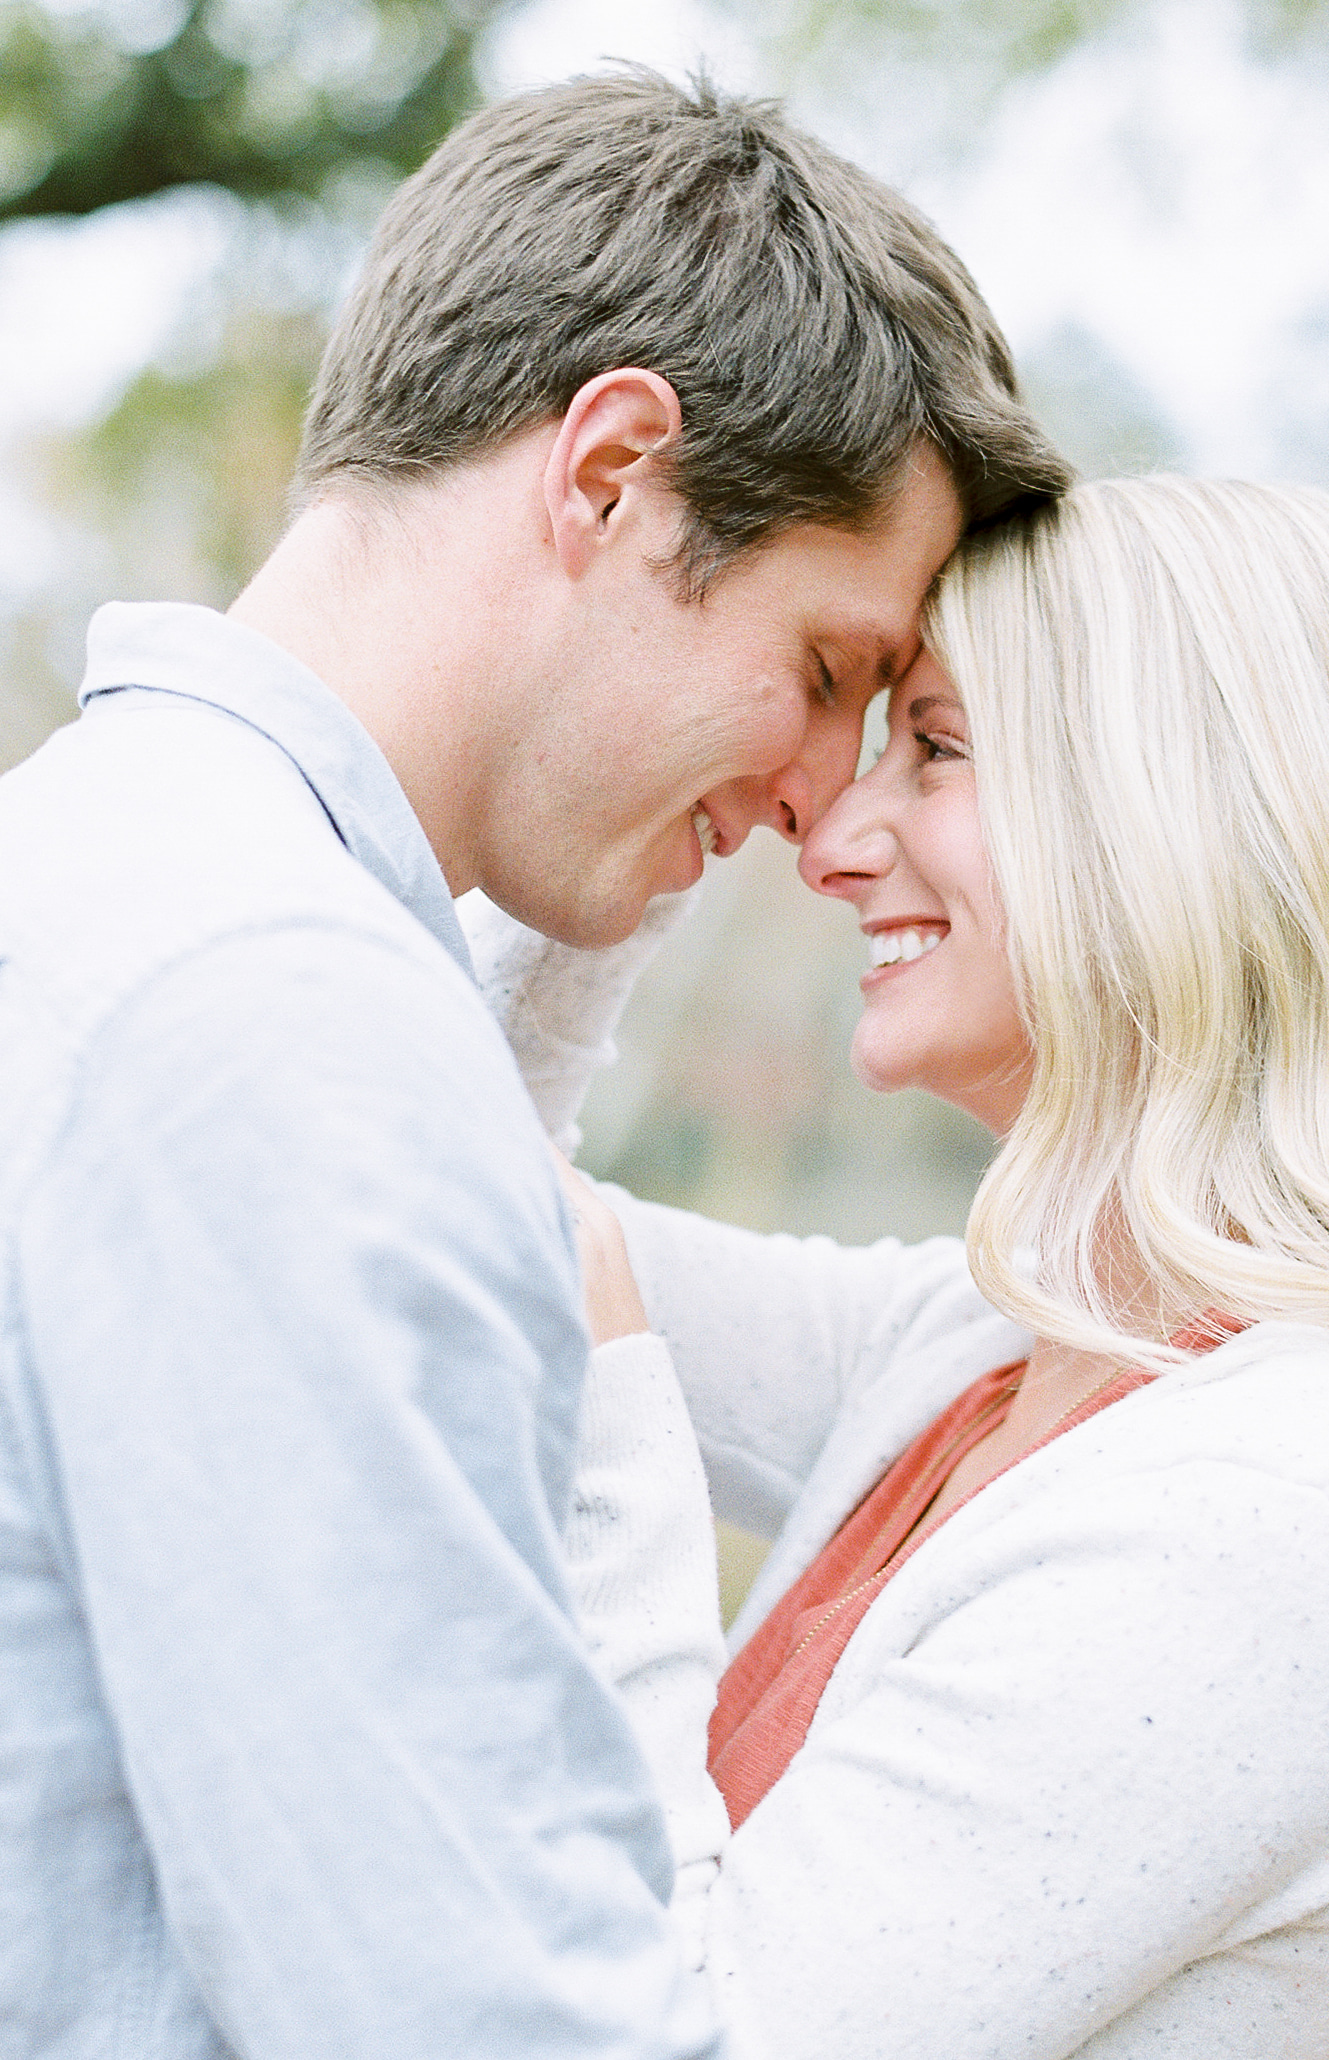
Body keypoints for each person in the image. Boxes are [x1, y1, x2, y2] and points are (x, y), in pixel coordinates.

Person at [0, 71, 1068, 2059]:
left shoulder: (100, 878)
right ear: (607, 474)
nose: (809, 804)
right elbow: (473, 2018)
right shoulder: (287, 1035)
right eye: (825, 675)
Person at [493, 476, 1329, 2058]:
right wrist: (643, 799)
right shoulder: (1002, 1347)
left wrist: (612, 1438)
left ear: (1181, 820)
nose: (831, 837)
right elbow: (461, 1199)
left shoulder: (1277, 1522)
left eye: (937, 746)